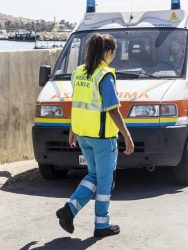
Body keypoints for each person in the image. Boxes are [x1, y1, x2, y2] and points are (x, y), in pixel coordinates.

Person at [56, 34, 135, 238]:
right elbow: (113, 109)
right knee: (105, 182)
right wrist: (127, 135)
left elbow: (77, 104)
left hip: (84, 135)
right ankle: (102, 225)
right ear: (107, 52)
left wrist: (73, 130)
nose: (113, 57)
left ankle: (70, 209)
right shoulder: (104, 75)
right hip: (103, 138)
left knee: (94, 176)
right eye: (114, 53)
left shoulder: (78, 73)